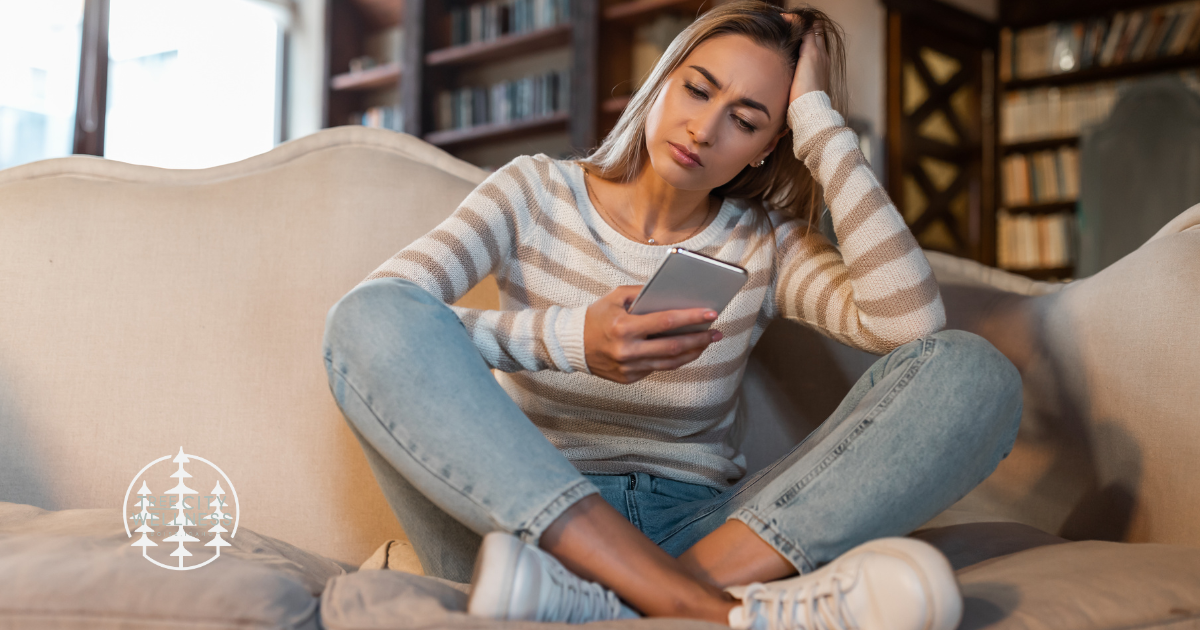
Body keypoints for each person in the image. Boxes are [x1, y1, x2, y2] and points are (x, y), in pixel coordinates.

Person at [322, 2, 1023, 629]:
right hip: (521, 528)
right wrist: (570, 340)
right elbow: (382, 318)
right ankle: (707, 610)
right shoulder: (533, 192)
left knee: (973, 373)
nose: (705, 128)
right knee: (366, 320)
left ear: (769, 145)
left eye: (747, 121)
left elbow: (908, 326)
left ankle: (628, 600)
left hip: (706, 530)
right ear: (661, 79)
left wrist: (818, 121)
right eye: (696, 89)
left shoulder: (765, 242)